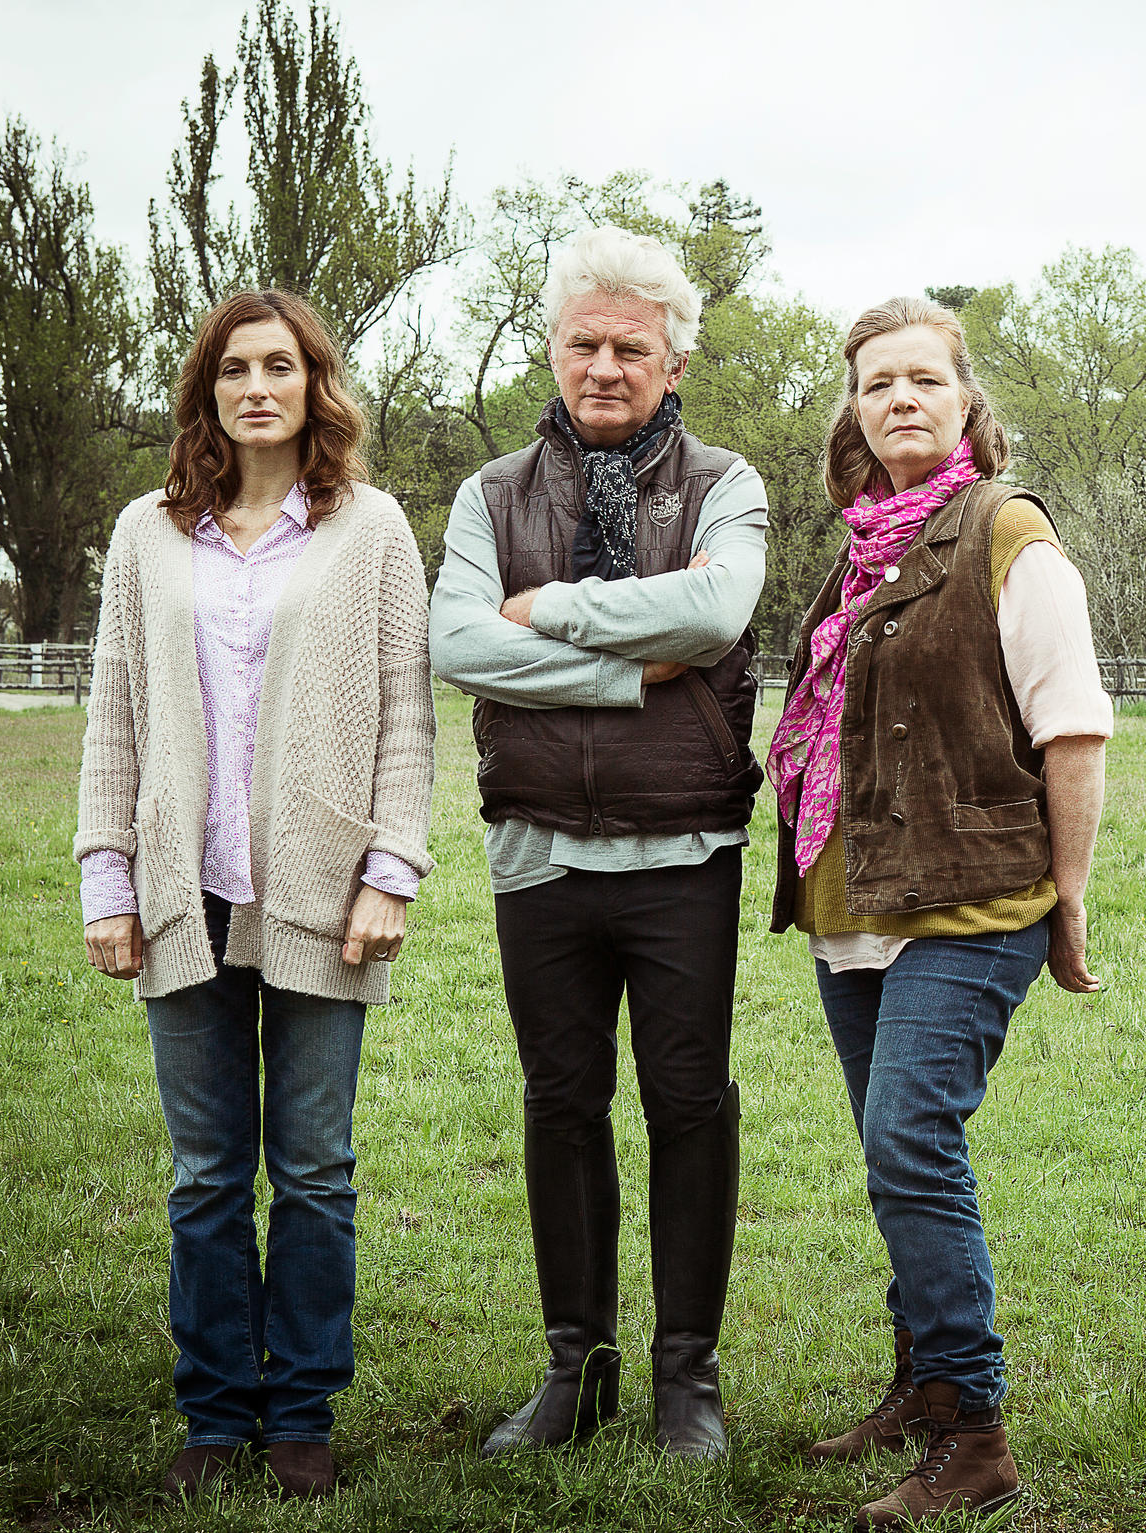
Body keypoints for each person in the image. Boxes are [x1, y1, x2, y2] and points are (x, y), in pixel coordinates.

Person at [75, 289, 436, 1501]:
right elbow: (113, 719)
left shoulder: (371, 528)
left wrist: (391, 870)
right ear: (208, 393)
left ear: (314, 384)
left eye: (279, 365)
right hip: (184, 887)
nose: (257, 387)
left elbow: (404, 714)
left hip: (328, 891)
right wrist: (106, 883)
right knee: (206, 1173)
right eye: (234, 369)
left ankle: (302, 1411)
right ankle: (215, 1413)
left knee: (319, 1166)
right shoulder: (146, 534)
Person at [767, 296, 1112, 1527]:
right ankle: (919, 1382)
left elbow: (1071, 730)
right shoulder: (862, 546)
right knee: (888, 1150)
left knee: (911, 1136)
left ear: (968, 401)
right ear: (854, 411)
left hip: (973, 898)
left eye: (923, 379)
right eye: (875, 384)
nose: (898, 399)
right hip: (854, 897)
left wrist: (1068, 900)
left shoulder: (1008, 536)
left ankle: (975, 1430)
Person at [428, 227, 769, 1462]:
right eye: (586, 343)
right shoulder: (489, 495)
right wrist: (636, 674)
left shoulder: (726, 484)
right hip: (538, 855)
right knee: (560, 1106)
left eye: (634, 346)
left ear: (674, 362)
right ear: (552, 351)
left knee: (687, 1105)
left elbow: (716, 609)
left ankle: (689, 1382)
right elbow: (457, 645)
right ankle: (578, 1369)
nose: (607, 366)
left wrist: (552, 614)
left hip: (682, 851)